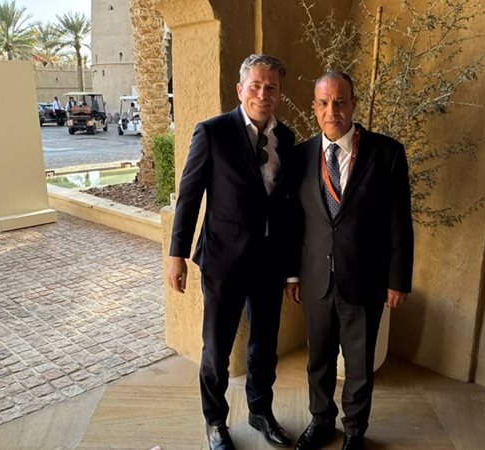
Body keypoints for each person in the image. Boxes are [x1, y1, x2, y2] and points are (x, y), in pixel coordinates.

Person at [168, 54, 297, 450]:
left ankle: (260, 410)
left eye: (271, 87)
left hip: (269, 262)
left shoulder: (287, 138)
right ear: (240, 90)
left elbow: (288, 207)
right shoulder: (213, 132)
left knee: (265, 345)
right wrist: (176, 254)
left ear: (279, 94)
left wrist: (291, 268)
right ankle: (215, 422)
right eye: (255, 85)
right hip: (223, 261)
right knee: (217, 349)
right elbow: (189, 196)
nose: (263, 93)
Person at [285, 71, 414, 450]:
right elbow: (294, 222)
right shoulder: (300, 156)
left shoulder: (387, 153)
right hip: (316, 280)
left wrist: (397, 280)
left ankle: (355, 431)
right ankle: (321, 420)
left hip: (365, 280)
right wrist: (292, 275)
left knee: (359, 365)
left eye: (340, 101)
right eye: (324, 103)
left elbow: (399, 223)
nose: (332, 110)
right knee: (319, 360)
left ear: (353, 104)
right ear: (314, 107)